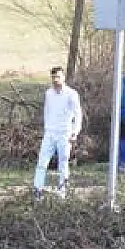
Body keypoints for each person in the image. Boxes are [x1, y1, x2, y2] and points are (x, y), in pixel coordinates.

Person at [34, 65, 84, 197]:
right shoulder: (49, 93)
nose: (56, 80)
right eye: (53, 77)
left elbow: (77, 114)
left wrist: (75, 132)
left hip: (64, 133)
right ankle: (38, 189)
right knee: (42, 161)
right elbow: (47, 111)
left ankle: (62, 190)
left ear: (63, 77)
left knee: (63, 162)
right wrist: (46, 127)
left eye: (58, 77)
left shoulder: (71, 94)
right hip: (50, 132)